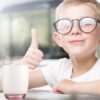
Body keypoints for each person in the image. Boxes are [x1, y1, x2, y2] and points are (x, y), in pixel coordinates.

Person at [1, 0, 100, 95]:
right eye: (65, 24)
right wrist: (21, 65)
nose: (75, 30)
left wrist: (73, 87)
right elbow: (3, 84)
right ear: (58, 39)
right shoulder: (59, 69)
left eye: (86, 23)